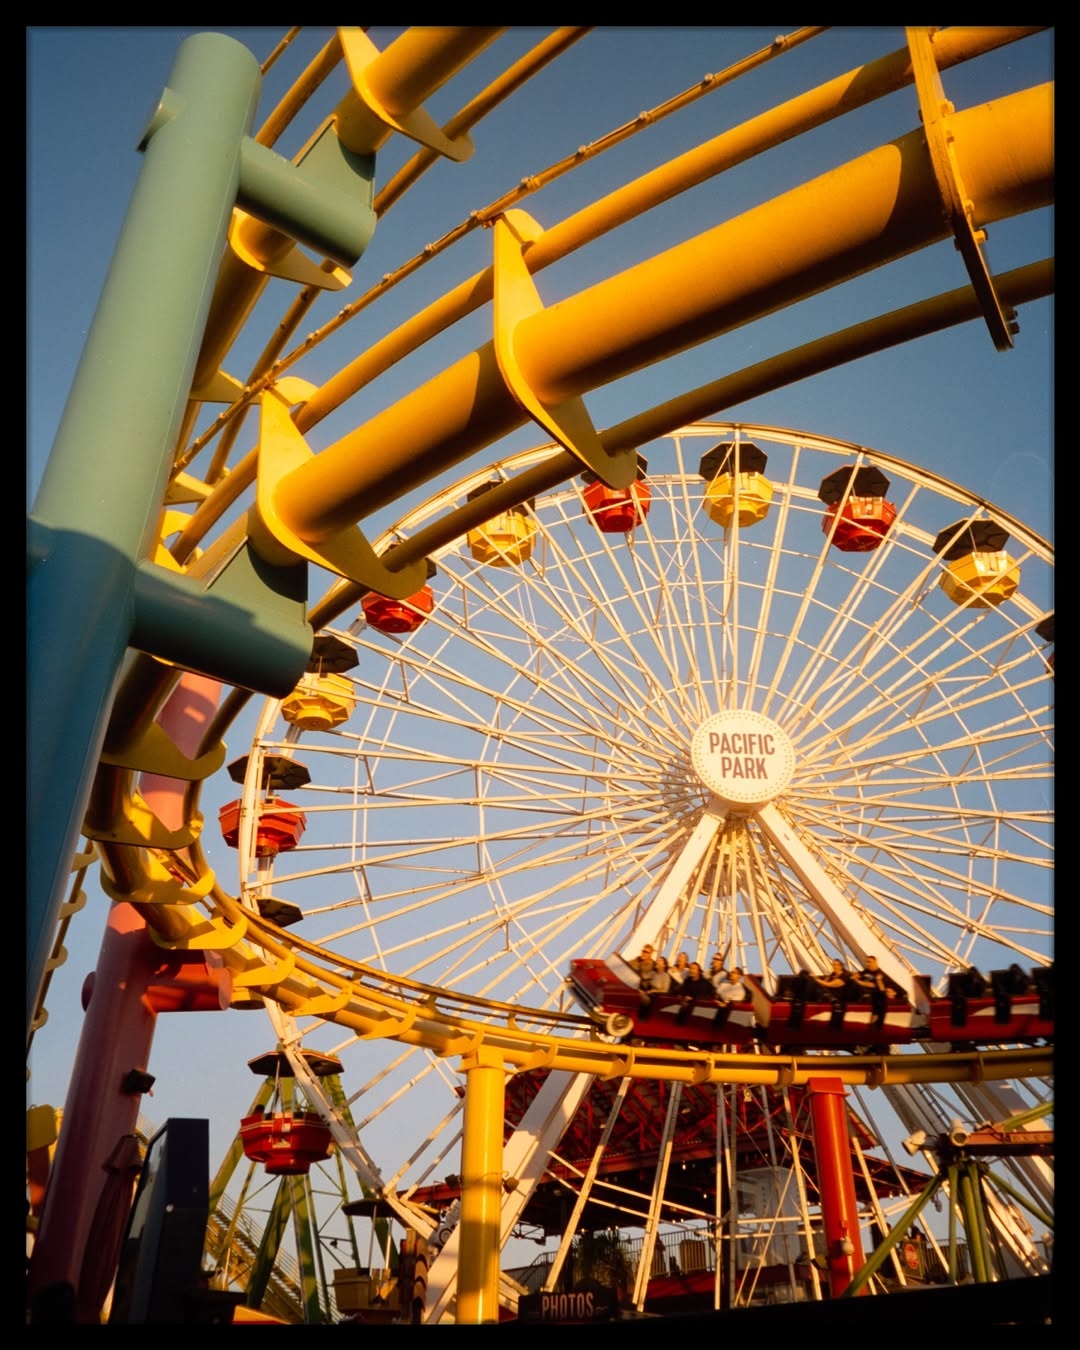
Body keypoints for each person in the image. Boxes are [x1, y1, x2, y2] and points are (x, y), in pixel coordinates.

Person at [851, 955, 903, 1022]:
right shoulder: (866, 971)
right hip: (862, 991)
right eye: (867, 962)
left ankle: (874, 1017)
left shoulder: (879, 974)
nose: (867, 964)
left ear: (875, 962)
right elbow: (856, 975)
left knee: (877, 998)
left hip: (873, 993)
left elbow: (873, 985)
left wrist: (858, 982)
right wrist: (854, 976)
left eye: (869, 962)